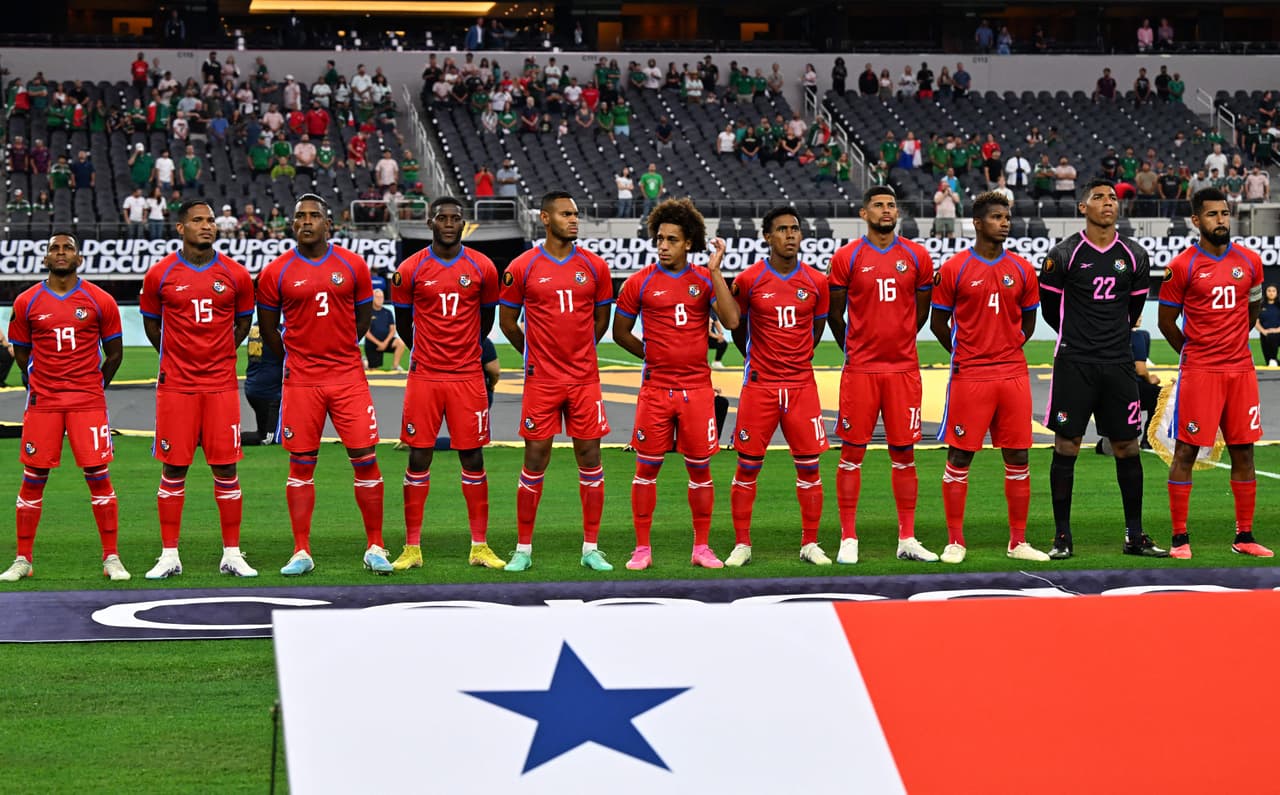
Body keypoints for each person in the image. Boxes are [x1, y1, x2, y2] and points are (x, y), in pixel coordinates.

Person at [256, 194, 391, 576]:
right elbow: (269, 329)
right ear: (292, 224)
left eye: (314, 215)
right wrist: (298, 358)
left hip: (347, 378)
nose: (307, 221)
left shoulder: (352, 265)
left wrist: (340, 350)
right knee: (300, 464)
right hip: (301, 381)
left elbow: (362, 320)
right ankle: (301, 551)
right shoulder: (276, 272)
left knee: (365, 459)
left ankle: (375, 545)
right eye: (300, 216)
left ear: (328, 224)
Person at [1037, 179, 1166, 559]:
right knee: (1067, 445)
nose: (1108, 202)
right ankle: (1062, 537)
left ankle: (1134, 535)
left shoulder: (1135, 255)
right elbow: (1051, 311)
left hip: (1118, 364)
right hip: (1074, 363)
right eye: (1098, 197)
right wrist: (1080, 337)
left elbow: (1133, 310)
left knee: (1127, 445)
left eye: (1112, 197)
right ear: (1083, 207)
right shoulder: (1063, 255)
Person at [612, 199, 739, 570]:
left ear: (688, 243)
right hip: (655, 391)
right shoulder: (639, 282)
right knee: (646, 470)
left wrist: (715, 271)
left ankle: (702, 548)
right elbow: (620, 332)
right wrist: (652, 355)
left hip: (697, 392)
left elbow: (732, 321)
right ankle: (641, 549)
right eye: (659, 239)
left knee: (700, 471)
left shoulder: (704, 279)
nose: (663, 245)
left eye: (671, 239)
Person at [138, 201, 257, 579]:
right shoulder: (159, 274)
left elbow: (243, 323)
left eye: (210, 220)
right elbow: (152, 326)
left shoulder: (236, 274)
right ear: (180, 227)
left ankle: (232, 554)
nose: (207, 226)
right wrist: (176, 358)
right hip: (177, 387)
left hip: (220, 385)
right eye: (198, 220)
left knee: (226, 467)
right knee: (174, 467)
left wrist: (220, 354)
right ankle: (169, 555)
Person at [2, 233, 130, 582]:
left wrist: (93, 387)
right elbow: (21, 352)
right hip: (44, 404)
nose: (61, 253)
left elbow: (115, 354)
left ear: (79, 258)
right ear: (45, 258)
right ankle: (23, 560)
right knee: (33, 478)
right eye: (54, 249)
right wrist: (39, 384)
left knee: (98, 476)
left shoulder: (100, 300)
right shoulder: (27, 300)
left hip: (87, 403)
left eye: (68, 248)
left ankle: (111, 558)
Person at [929, 192, 1049, 564]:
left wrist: (1005, 348)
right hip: (971, 375)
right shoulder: (954, 268)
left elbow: (1029, 322)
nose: (1005, 223)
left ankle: (1018, 542)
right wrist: (967, 352)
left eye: (1007, 217)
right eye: (997, 217)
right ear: (978, 223)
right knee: (960, 455)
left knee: (1018, 454)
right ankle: (955, 541)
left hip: (1012, 373)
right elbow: (938, 323)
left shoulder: (1023, 269)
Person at [498, 191, 614, 572]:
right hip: (542, 380)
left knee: (590, 456)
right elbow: (507, 322)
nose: (574, 219)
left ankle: (591, 548)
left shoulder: (595, 266)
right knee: (535, 457)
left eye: (576, 214)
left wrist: (579, 352)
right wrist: (536, 355)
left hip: (584, 380)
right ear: (545, 219)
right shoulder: (523, 266)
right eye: (566, 214)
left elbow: (601, 320)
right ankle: (523, 549)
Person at [388, 197, 506, 571]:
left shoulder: (483, 267)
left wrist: (463, 352)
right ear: (431, 223)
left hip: (467, 376)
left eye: (456, 218)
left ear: (464, 223)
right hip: (425, 376)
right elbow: (404, 325)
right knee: (418, 455)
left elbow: (486, 321)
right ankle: (411, 548)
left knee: (473, 456)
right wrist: (430, 352)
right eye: (443, 218)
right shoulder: (410, 269)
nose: (450, 223)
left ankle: (479, 546)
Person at [825, 186, 939, 565]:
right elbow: (835, 314)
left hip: (903, 370)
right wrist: (854, 349)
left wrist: (900, 340)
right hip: (860, 370)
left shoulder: (917, 256)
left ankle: (907, 537)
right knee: (851, 453)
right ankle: (848, 537)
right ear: (864, 214)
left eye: (891, 205)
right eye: (878, 205)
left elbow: (921, 312)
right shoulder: (847, 257)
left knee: (904, 453)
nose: (886, 210)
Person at [1157, 188, 1271, 559]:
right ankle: (1179, 539)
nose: (1221, 220)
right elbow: (1166, 322)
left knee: (1244, 451)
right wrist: (1193, 353)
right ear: (1196, 220)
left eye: (1224, 213)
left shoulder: (1251, 262)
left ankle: (1244, 536)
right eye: (1212, 214)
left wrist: (1233, 344)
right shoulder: (1182, 266)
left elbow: (1253, 308)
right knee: (1186, 450)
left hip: (1240, 371)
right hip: (1200, 372)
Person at [726, 206, 831, 567]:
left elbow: (816, 330)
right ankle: (742, 544)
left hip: (801, 386)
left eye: (795, 229)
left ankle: (810, 543)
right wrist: (759, 360)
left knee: (809, 468)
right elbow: (738, 328)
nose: (790, 235)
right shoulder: (749, 280)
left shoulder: (816, 281)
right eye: (782, 229)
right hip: (760, 386)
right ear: (767, 237)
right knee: (747, 466)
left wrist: (795, 360)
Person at [243, 321, 283, 445]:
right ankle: (222, 438)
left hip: (254, 386)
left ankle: (217, 437)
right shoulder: (277, 330)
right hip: (270, 393)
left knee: (268, 432)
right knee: (268, 437)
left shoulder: (256, 326)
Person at [363, 288, 405, 372]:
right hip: (372, 344)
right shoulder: (367, 312)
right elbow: (366, 332)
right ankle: (365, 362)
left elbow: (393, 330)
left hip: (386, 342)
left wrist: (385, 343)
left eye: (381, 297)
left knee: (400, 343)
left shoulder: (388, 312)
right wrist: (379, 343)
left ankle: (395, 366)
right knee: (373, 371)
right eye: (377, 297)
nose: (380, 299)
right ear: (372, 298)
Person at [1257, 284, 1280, 366]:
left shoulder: (1279, 306)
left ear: (1277, 293)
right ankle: (1274, 361)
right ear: (1265, 292)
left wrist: (1276, 330)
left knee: (1272, 337)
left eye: (1273, 291)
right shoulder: (1260, 306)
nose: (1271, 293)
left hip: (1278, 333)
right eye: (1269, 291)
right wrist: (1263, 331)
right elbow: (1256, 322)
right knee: (1269, 362)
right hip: (1265, 335)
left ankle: (1273, 359)